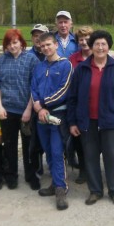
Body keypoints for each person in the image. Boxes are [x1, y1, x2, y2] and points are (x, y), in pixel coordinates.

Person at [68, 30, 114, 206]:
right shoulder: (82, 69)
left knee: (112, 157)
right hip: (87, 122)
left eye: (104, 44)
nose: (100, 47)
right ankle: (95, 191)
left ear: (108, 47)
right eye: (97, 44)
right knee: (90, 157)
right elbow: (72, 98)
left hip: (110, 121)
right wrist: (72, 122)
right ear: (91, 46)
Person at [0, 28, 39, 191]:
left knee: (29, 146)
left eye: (15, 42)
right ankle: (11, 175)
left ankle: (31, 175)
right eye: (9, 44)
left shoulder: (31, 59)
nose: (12, 46)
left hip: (26, 110)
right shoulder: (1, 61)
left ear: (21, 42)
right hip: (7, 110)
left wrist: (28, 109)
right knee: (9, 144)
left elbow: (35, 86)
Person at [31, 32, 73, 210]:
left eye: (49, 44)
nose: (46, 48)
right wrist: (38, 107)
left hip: (58, 115)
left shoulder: (66, 65)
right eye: (42, 46)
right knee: (48, 150)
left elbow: (64, 90)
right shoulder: (39, 67)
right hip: (41, 116)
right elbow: (33, 88)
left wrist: (44, 103)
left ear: (56, 45)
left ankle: (61, 189)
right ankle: (55, 182)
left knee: (57, 151)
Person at [67, 26, 94, 184]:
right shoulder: (72, 59)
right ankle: (83, 169)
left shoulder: (98, 57)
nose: (84, 42)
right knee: (79, 140)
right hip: (78, 104)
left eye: (87, 39)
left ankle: (93, 168)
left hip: (95, 105)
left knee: (94, 141)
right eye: (81, 39)